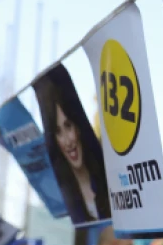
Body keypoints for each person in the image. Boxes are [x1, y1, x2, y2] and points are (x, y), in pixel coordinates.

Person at [34, 65, 111, 224]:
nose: (68, 141)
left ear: (78, 128)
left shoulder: (109, 183)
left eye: (68, 126)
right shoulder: (60, 196)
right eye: (58, 132)